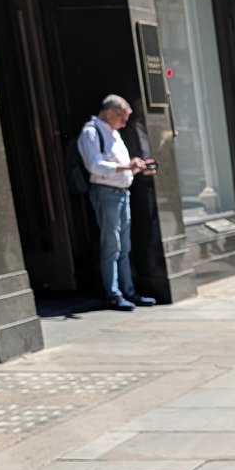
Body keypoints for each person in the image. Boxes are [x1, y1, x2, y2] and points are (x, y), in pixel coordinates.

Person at [78, 94, 156, 311]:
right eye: (122, 118)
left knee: (124, 246)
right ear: (110, 113)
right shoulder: (91, 132)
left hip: (122, 192)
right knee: (112, 246)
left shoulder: (113, 133)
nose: (124, 124)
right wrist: (127, 166)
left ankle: (128, 291)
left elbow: (120, 167)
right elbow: (95, 166)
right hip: (106, 194)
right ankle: (113, 294)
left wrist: (137, 168)